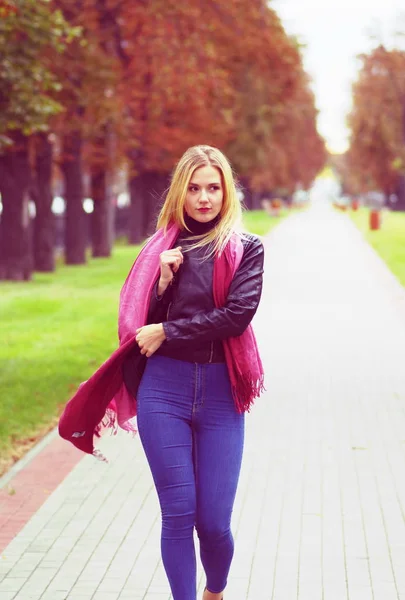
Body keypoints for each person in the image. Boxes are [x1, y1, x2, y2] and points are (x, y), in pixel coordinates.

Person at [133, 145, 265, 600]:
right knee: (178, 512)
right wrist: (164, 285)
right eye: (193, 188)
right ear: (180, 192)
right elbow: (137, 324)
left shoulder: (247, 249)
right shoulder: (160, 249)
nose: (204, 197)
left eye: (213, 187)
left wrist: (168, 329)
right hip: (163, 390)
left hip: (220, 393)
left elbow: (236, 315)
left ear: (227, 191)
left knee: (212, 521)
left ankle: (216, 589)